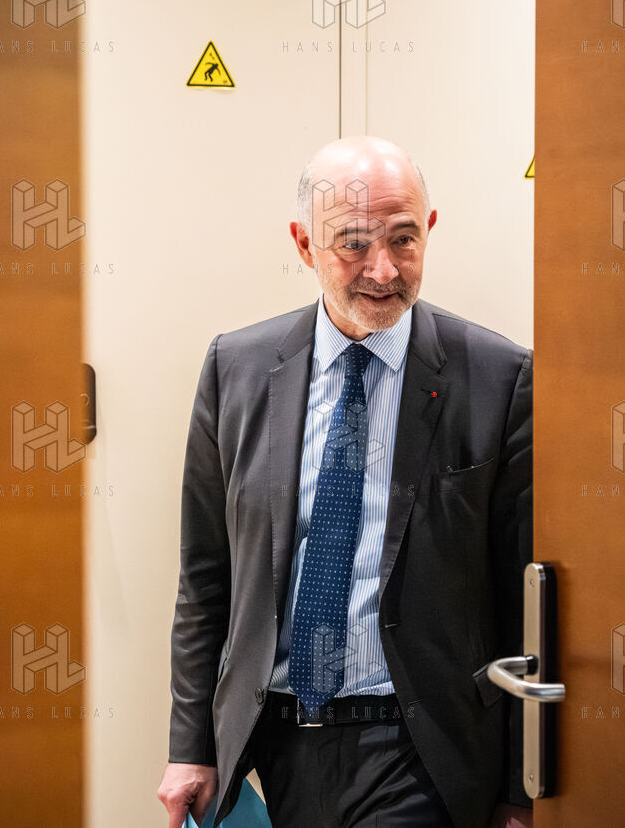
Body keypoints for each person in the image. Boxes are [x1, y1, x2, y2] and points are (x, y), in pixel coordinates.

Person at [157, 136, 533, 828]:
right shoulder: (236, 369)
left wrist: (520, 787)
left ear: (430, 229)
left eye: (403, 239)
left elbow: (521, 598)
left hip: (418, 743)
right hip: (271, 741)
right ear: (305, 243)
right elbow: (205, 577)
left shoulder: (498, 377)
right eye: (353, 244)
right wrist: (191, 748)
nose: (383, 269)